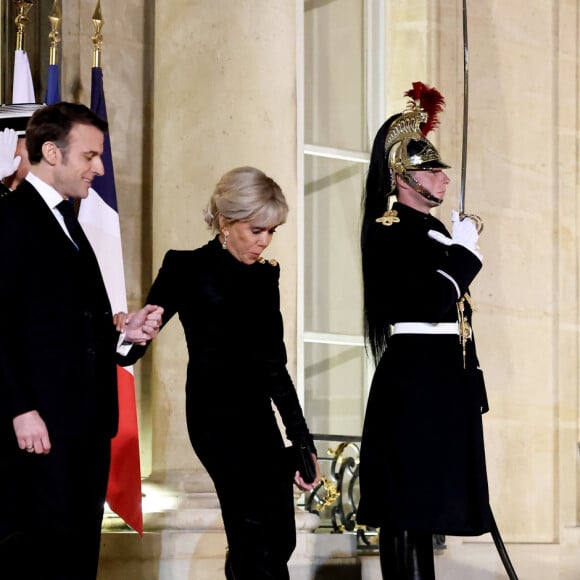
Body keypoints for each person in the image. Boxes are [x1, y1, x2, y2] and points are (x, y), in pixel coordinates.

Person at [119, 166, 321, 580]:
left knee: (281, 539)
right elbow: (133, 350)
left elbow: (274, 366)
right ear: (226, 222)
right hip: (214, 420)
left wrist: (301, 438)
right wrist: (130, 336)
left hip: (257, 417)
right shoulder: (184, 267)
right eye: (256, 230)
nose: (263, 242)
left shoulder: (266, 276)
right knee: (254, 537)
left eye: (272, 232)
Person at [0, 102, 164, 580]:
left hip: (85, 429)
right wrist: (19, 408)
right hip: (37, 431)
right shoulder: (11, 217)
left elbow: (66, 324)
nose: (101, 167)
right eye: (90, 156)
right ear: (51, 152)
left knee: (76, 560)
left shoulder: (69, 221)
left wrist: (124, 335)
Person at [357, 82, 491, 579]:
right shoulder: (390, 229)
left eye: (440, 169)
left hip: (440, 381)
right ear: (401, 178)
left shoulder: (433, 233)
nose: (441, 178)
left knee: (427, 510)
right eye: (430, 171)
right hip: (414, 381)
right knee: (407, 509)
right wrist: (463, 254)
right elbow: (435, 303)